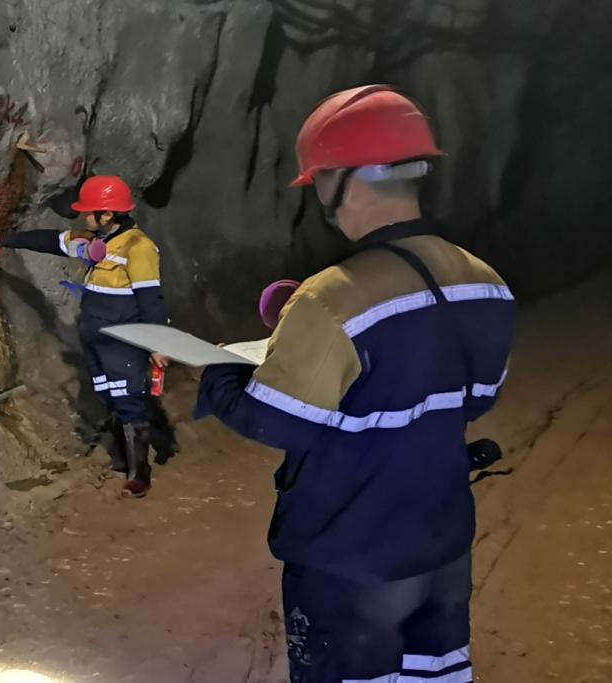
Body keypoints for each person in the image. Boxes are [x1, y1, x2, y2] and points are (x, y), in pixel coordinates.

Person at [195, 86, 516, 682]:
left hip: (350, 556)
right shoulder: (485, 282)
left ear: (342, 181)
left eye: (319, 177)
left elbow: (273, 420)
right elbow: (477, 399)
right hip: (440, 546)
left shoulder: (331, 297)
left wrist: (216, 370)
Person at [0, 176, 173, 497]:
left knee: (128, 401)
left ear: (106, 214)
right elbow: (52, 241)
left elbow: (150, 298)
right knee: (108, 396)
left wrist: (157, 343)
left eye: (88, 211)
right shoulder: (94, 241)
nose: (83, 216)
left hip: (122, 341)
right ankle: (122, 458)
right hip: (95, 337)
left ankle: (139, 474)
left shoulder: (138, 248)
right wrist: (3, 239)